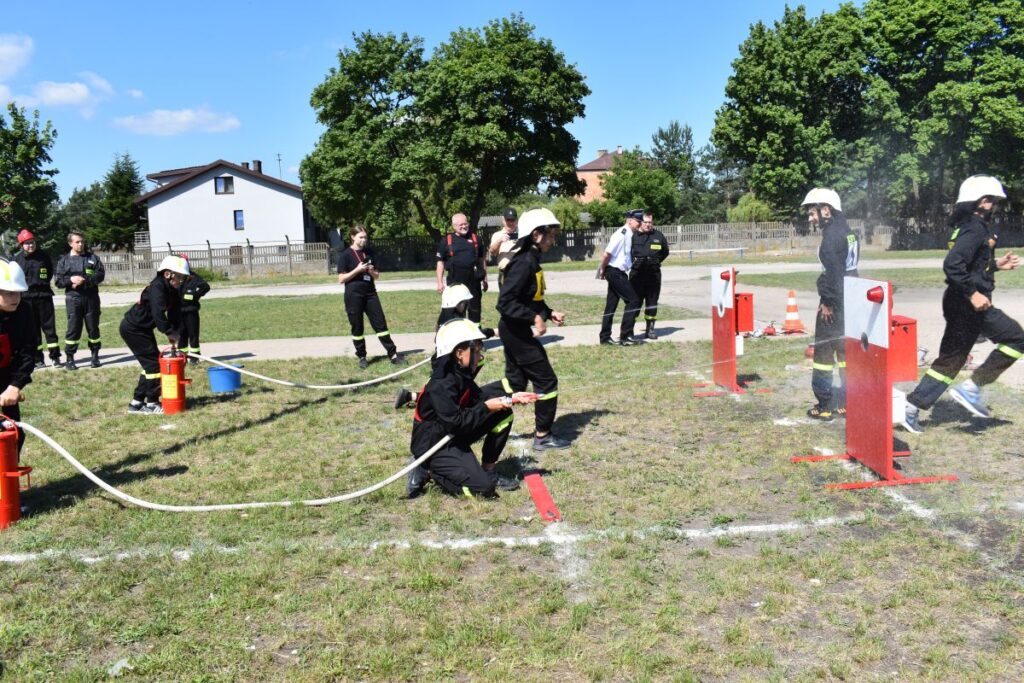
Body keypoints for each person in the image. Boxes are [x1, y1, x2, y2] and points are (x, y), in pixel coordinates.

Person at [903, 175, 1024, 433]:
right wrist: (973, 294)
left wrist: (997, 265)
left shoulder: (964, 225)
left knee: (951, 360)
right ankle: (971, 388)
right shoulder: (976, 227)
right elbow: (953, 265)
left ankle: (911, 407)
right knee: (1017, 339)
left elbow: (972, 264)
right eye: (991, 199)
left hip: (958, 301)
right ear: (981, 201)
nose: (994, 205)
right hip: (969, 303)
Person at [407, 319, 535, 498]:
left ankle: (488, 470)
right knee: (484, 489)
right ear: (459, 353)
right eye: (475, 349)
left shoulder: (460, 372)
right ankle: (429, 469)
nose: (480, 353)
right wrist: (487, 407)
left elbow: (479, 400)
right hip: (435, 445)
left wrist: (510, 399)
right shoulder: (441, 384)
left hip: (452, 433)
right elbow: (457, 423)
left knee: (503, 413)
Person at [497, 207, 572, 451]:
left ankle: (475, 407)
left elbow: (530, 297)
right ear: (537, 234)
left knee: (515, 383)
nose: (554, 240)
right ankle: (543, 435)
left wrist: (548, 312)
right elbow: (505, 302)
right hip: (516, 332)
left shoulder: (532, 260)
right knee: (547, 381)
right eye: (551, 235)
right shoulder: (524, 262)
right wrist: (533, 318)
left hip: (515, 329)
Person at [803, 188, 859, 420]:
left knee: (824, 353)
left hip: (834, 302)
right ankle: (847, 401)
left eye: (812, 212)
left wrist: (827, 302)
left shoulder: (830, 239)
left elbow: (834, 276)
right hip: (850, 299)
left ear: (826, 210)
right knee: (846, 351)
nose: (810, 218)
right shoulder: (848, 232)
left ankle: (825, 404)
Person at [392, 284, 496, 410]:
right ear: (458, 303)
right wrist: (493, 332)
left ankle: (410, 396)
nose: (467, 306)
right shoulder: (455, 321)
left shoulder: (446, 316)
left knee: (444, 392)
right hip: (447, 365)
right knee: (444, 394)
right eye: (464, 303)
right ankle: (411, 396)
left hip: (445, 361)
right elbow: (472, 335)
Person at [120, 256, 189, 414]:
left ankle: (136, 403)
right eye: (179, 277)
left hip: (143, 329)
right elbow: (158, 315)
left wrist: (175, 331)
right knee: (155, 366)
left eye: (184, 278)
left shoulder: (173, 290)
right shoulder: (157, 287)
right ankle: (152, 403)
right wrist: (169, 332)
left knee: (150, 366)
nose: (181, 281)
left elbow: (174, 312)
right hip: (133, 329)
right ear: (167, 274)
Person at [337, 226, 401, 369]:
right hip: (353, 295)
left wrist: (371, 271)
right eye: (360, 237)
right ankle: (362, 356)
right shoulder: (345, 254)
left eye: (365, 237)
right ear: (353, 237)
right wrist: (357, 270)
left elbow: (377, 276)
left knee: (381, 325)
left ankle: (393, 354)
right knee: (357, 327)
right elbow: (341, 279)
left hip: (370, 294)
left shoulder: (369, 252)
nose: (364, 240)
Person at [54, 231, 105, 370]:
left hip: (91, 298)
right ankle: (70, 358)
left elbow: (100, 275)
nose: (81, 244)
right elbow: (58, 281)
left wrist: (85, 281)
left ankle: (95, 356)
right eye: (77, 242)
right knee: (73, 329)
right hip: (73, 299)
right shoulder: (63, 261)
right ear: (70, 243)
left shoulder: (92, 258)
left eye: (82, 241)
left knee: (93, 328)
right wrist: (70, 280)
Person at [0, 258, 35, 455]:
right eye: (9, 293)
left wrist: (14, 386)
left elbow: (28, 351)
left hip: (6, 379)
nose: (16, 297)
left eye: (19, 292)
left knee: (13, 434)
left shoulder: (23, 312)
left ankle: (7, 483)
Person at [12, 229, 60, 368]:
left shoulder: (44, 257)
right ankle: (38, 359)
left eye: (32, 243)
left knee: (49, 328)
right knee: (33, 331)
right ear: (21, 245)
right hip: (26, 298)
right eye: (27, 244)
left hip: (43, 296)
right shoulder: (16, 260)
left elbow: (50, 272)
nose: (31, 246)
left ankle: (55, 357)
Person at [597, 209, 643, 345]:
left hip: (618, 272)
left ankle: (605, 337)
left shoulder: (629, 234)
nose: (639, 224)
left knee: (611, 305)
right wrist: (602, 269)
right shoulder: (621, 234)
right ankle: (626, 336)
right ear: (630, 220)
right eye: (638, 221)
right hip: (615, 272)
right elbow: (607, 254)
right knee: (633, 300)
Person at [436, 213, 488, 323]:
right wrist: (439, 282)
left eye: (465, 224)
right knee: (455, 310)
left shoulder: (476, 239)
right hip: (455, 281)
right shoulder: (446, 241)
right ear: (454, 226)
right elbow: (440, 262)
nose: (464, 226)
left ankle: (476, 338)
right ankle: (458, 336)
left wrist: (485, 279)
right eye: (461, 225)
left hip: (473, 280)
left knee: (475, 310)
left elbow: (481, 260)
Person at [630, 212, 670, 339]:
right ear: (641, 222)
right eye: (645, 222)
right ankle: (628, 330)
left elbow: (665, 252)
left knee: (652, 301)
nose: (647, 224)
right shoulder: (633, 235)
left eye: (650, 222)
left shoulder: (658, 236)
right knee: (634, 302)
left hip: (653, 275)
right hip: (637, 275)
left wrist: (655, 261)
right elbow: (626, 252)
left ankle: (650, 330)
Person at [178, 258, 211, 365]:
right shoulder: (176, 276)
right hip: (178, 311)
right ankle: (182, 357)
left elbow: (205, 287)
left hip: (191, 311)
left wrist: (195, 296)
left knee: (193, 334)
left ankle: (194, 358)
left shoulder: (193, 276)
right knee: (181, 335)